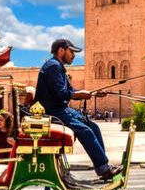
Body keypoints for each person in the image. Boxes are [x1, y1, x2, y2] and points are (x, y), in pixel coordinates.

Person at [37, 39, 121, 179]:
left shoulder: (58, 67)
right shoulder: (53, 66)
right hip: (52, 111)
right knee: (86, 131)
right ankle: (104, 169)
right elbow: (62, 93)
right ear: (61, 50)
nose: (74, 55)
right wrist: (80, 94)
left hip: (61, 109)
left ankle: (103, 167)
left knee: (93, 127)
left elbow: (70, 90)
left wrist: (92, 93)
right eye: (71, 51)